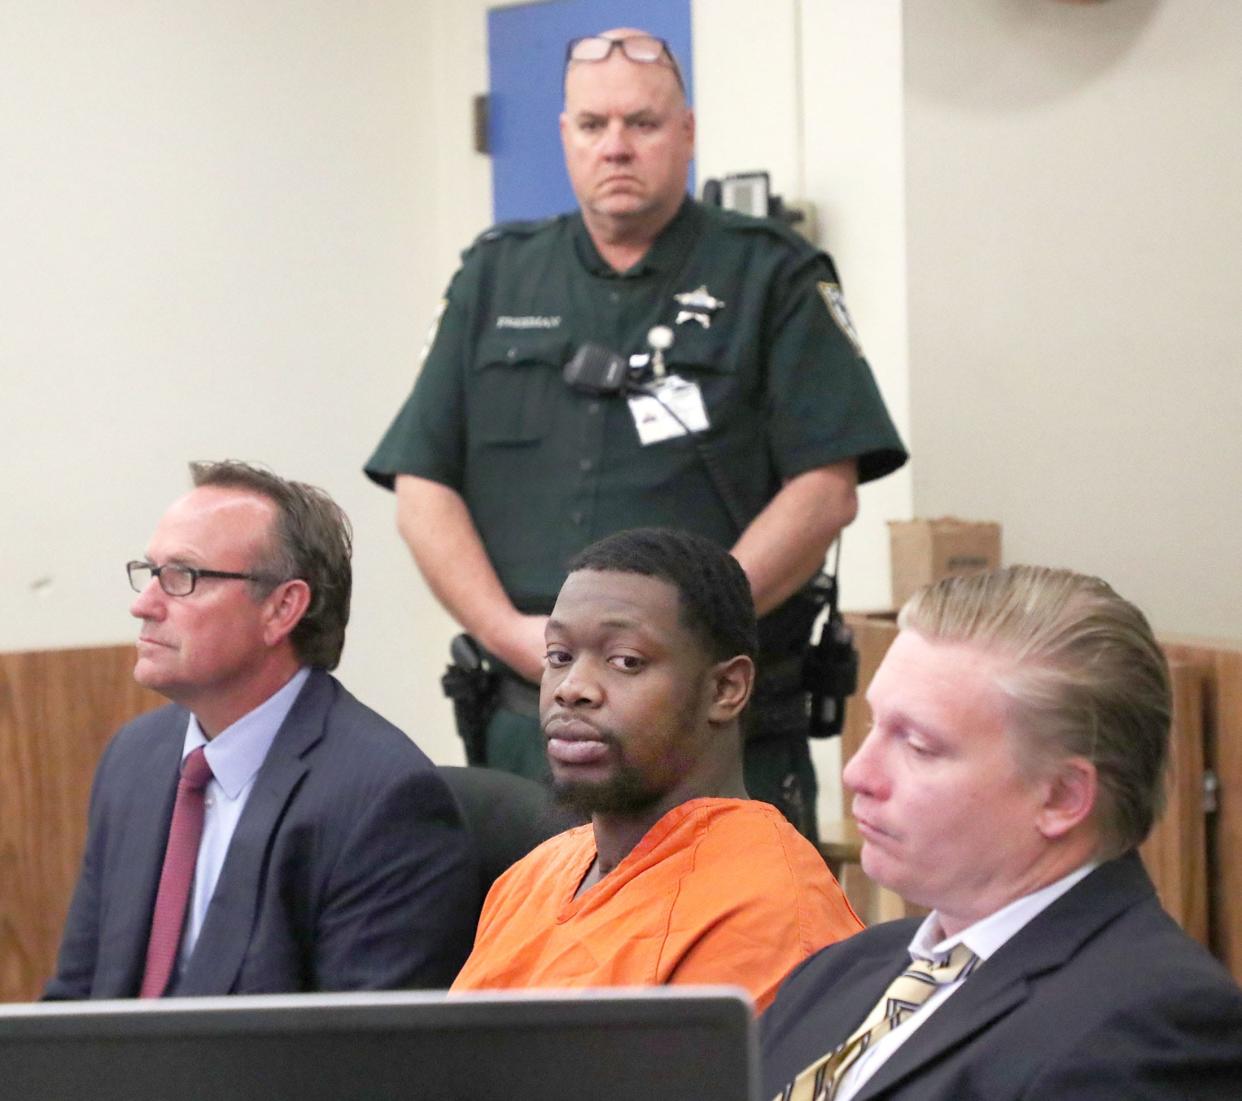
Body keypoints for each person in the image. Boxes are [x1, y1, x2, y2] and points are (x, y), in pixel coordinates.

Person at [364, 27, 907, 839]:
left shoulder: (773, 274)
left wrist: (678, 638)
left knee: (735, 953)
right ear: (564, 137)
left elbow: (825, 492)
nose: (616, 146)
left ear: (686, 133)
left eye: (643, 124)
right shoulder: (494, 275)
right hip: (529, 724)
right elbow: (422, 488)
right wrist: (515, 638)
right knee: (530, 950)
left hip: (712, 727)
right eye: (593, 126)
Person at [761, 566, 1242, 1100]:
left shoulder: (1150, 1023)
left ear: (1060, 797)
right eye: (875, 724)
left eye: (918, 746)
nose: (858, 773)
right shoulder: (842, 969)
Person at [45, 461, 476, 999]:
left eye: (184, 577)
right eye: (149, 572)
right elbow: (74, 1003)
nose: (144, 604)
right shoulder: (132, 758)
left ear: (281, 608)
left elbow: (365, 1063)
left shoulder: (384, 801)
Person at [450, 528, 863, 1013]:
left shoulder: (767, 913)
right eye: (558, 657)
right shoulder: (529, 878)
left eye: (625, 661)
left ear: (726, 689)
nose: (571, 688)